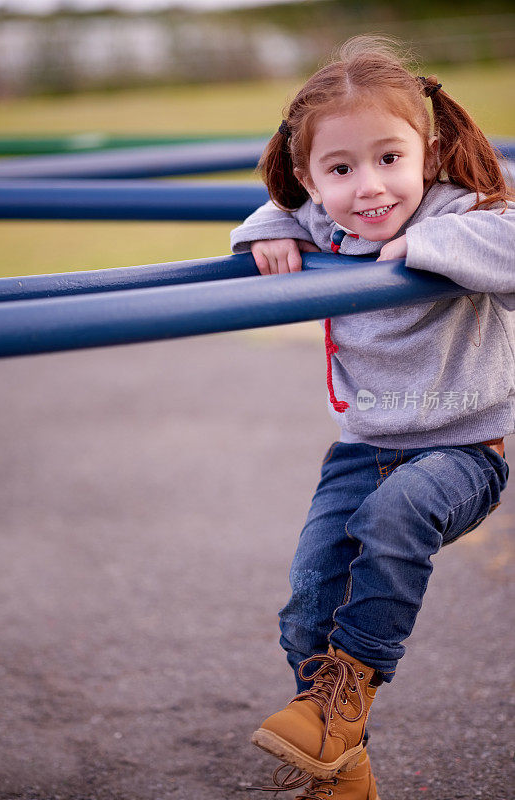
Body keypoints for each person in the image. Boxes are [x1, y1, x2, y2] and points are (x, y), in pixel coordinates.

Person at [230, 35, 514, 800]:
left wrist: (431, 241)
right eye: (341, 170)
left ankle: (345, 691)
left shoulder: (467, 209)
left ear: (426, 149)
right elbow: (267, 217)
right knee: (307, 601)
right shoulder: (323, 222)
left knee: (396, 517)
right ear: (308, 177)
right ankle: (341, 757)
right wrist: (272, 232)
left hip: (464, 453)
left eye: (390, 159)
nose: (371, 189)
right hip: (364, 449)